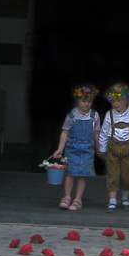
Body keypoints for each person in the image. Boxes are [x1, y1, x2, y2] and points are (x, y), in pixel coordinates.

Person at [97, 82, 129, 212]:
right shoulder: (110, 115)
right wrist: (102, 148)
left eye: (119, 100)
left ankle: (125, 199)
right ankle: (112, 200)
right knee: (112, 175)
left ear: (127, 100)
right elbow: (104, 132)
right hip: (113, 148)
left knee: (126, 175)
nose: (115, 103)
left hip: (128, 149)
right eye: (113, 101)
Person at [52, 83, 101, 211]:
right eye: (84, 101)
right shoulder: (72, 115)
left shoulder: (94, 116)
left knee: (81, 175)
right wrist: (60, 149)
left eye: (89, 101)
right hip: (72, 148)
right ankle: (67, 197)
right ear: (77, 100)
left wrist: (99, 148)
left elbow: (96, 133)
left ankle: (77, 199)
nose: (86, 104)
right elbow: (65, 131)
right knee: (69, 173)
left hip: (87, 149)